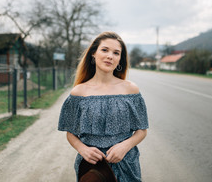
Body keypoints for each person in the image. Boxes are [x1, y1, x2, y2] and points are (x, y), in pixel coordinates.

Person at [58, 31, 149, 182]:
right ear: (93, 53)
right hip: (92, 168)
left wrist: (124, 146)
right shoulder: (79, 92)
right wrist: (83, 149)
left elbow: (142, 130)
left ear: (120, 59)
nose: (110, 56)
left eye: (116, 53)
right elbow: (70, 132)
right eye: (105, 50)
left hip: (126, 164)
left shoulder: (131, 90)